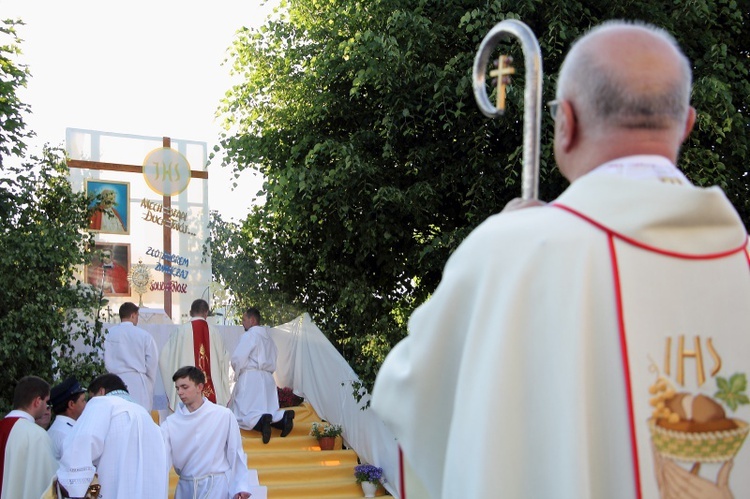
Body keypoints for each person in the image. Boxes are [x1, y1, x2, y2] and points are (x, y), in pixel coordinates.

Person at [371, 21, 750, 499]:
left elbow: (409, 394)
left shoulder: (510, 252)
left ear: (565, 122)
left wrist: (507, 238)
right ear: (688, 124)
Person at [56, 373, 168, 498]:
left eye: (91, 398)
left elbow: (78, 450)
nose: (88, 404)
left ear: (101, 391)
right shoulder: (148, 418)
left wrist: (73, 487)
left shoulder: (101, 404)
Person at [161, 366, 251, 499]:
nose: (180, 392)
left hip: (216, 487)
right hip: (186, 488)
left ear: (200, 387)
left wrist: (240, 486)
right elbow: (162, 461)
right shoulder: (170, 424)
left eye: (184, 387)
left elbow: (235, 452)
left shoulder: (223, 415)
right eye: (177, 388)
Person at [229, 307, 294, 443]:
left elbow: (238, 358)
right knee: (267, 408)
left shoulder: (250, 335)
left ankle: (261, 424)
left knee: (244, 411)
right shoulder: (268, 339)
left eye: (244, 319)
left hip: (251, 377)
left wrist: (238, 373)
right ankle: (283, 419)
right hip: (267, 378)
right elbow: (274, 356)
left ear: (252, 320)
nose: (242, 323)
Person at [159, 298, 232, 410]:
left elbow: (165, 359)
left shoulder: (180, 332)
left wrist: (172, 393)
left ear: (191, 312)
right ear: (206, 313)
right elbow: (224, 360)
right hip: (212, 397)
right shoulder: (215, 333)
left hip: (185, 397)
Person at [0, 376, 58, 499]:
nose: (47, 407)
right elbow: (48, 484)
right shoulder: (36, 435)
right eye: (46, 402)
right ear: (37, 401)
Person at [104, 302, 159, 410]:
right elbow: (152, 361)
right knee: (138, 415)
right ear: (133, 315)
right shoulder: (144, 335)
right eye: (137, 316)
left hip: (113, 381)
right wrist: (148, 381)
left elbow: (100, 356)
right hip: (137, 382)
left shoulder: (108, 334)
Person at [47, 376, 87, 460]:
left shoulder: (54, 429)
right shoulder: (69, 434)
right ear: (71, 404)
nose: (86, 404)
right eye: (83, 400)